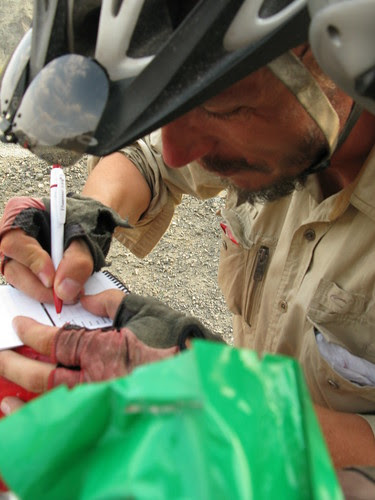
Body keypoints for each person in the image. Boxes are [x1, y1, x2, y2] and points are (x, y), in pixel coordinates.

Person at [0, 0, 375, 469]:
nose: (180, 151)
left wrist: (230, 403)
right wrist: (86, 221)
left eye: (221, 107)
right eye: (169, 108)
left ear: (342, 60)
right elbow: (151, 159)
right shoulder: (276, 129)